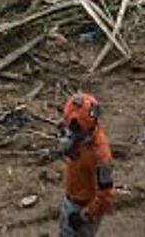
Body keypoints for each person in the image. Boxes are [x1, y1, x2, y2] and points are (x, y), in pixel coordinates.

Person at [58, 91, 116, 235]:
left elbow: (106, 197)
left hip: (83, 209)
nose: (69, 133)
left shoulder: (101, 157)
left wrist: (84, 216)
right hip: (70, 199)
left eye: (72, 129)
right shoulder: (80, 136)